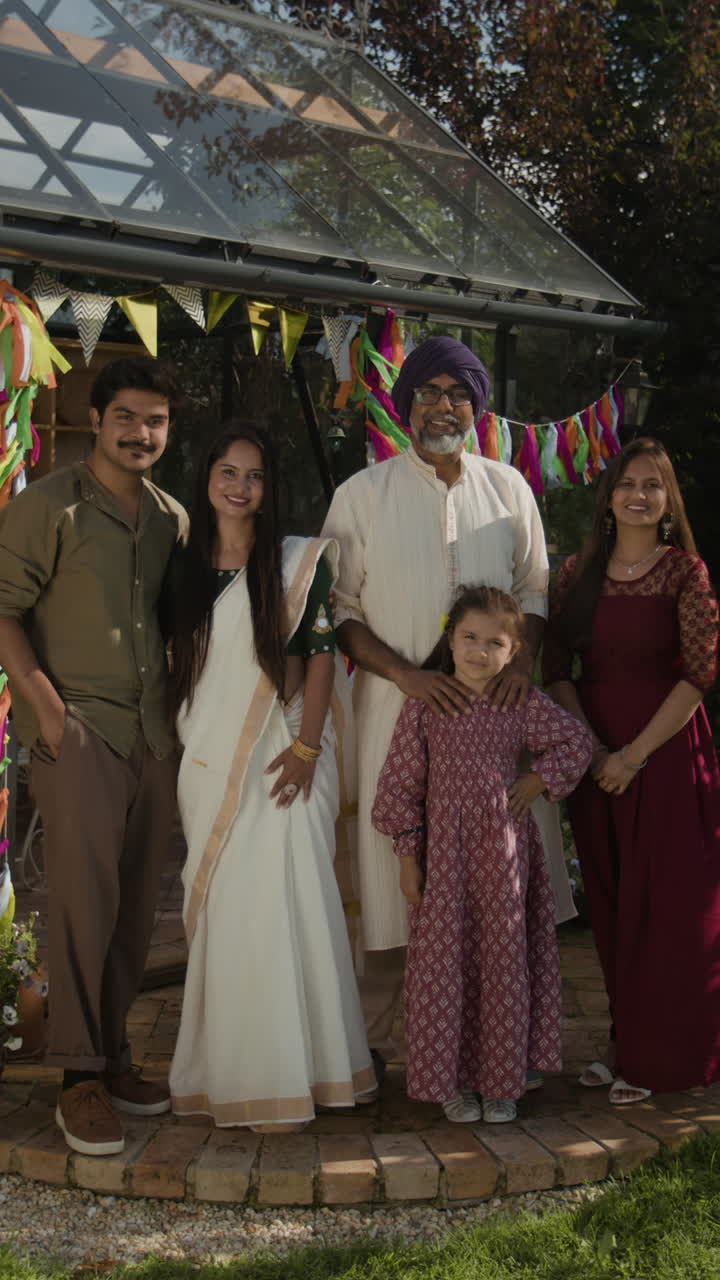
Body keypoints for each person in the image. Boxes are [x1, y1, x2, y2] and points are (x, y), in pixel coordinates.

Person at [322, 336, 573, 1068]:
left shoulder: (508, 487)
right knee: (397, 884)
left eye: (458, 393)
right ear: (405, 408)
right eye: (428, 392)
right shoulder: (362, 494)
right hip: (395, 717)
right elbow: (337, 608)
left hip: (498, 736)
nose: (443, 406)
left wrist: (519, 662)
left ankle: (499, 1050)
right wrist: (406, 675)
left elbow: (534, 587)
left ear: (478, 406)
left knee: (500, 898)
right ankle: (380, 1058)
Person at [0, 356, 187, 1155]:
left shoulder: (174, 517)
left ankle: (110, 1058)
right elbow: (2, 613)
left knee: (137, 907)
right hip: (79, 732)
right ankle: (76, 1082)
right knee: (80, 908)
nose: (141, 433)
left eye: (156, 421)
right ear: (97, 418)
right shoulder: (47, 507)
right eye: (127, 418)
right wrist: (49, 715)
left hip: (153, 736)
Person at [168, 424, 375, 1132]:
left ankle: (312, 1072)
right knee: (228, 911)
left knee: (294, 904)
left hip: (284, 750)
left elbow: (321, 653)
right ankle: (233, 1072)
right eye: (227, 471)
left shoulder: (294, 563)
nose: (240, 486)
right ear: (206, 478)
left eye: (253, 476)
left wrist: (310, 747)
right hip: (208, 751)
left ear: (268, 488)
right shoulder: (179, 565)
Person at [372, 585, 591, 1123]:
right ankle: (450, 1081)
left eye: (494, 643)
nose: (478, 652)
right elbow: (400, 787)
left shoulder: (517, 702)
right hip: (444, 860)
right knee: (444, 966)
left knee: (502, 964)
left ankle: (502, 1081)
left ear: (513, 653)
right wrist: (408, 857)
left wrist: (539, 780)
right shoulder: (427, 706)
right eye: (469, 638)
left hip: (504, 858)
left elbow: (577, 742)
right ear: (450, 637)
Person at [543, 436, 720, 1103]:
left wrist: (633, 754)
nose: (640, 495)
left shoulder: (685, 574)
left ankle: (668, 1059)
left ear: (669, 501)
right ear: (608, 497)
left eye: (654, 485)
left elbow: (698, 673)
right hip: (595, 756)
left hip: (665, 754)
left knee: (671, 908)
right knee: (614, 904)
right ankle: (625, 1044)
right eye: (628, 484)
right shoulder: (574, 574)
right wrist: (591, 750)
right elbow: (557, 668)